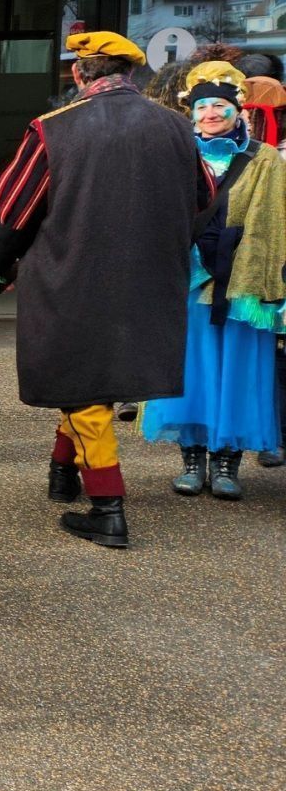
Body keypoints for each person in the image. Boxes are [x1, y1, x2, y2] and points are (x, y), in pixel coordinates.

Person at [0, 32, 205, 548]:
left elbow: (15, 206)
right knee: (89, 379)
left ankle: (108, 507)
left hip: (71, 274)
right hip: (148, 276)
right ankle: (63, 473)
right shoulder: (176, 126)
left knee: (80, 380)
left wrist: (0, 259)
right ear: (131, 74)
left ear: (79, 75)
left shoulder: (53, 128)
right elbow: (204, 196)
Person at [142, 61, 286, 498]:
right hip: (188, 282)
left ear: (237, 110)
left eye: (219, 105)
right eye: (202, 105)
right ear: (191, 111)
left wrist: (264, 284)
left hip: (242, 286)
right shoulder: (176, 155)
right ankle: (192, 456)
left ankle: (227, 463)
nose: (209, 113)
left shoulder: (263, 160)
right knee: (192, 372)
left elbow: (274, 223)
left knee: (238, 373)